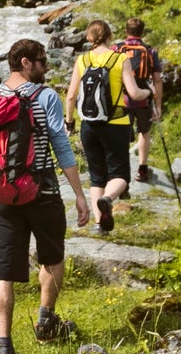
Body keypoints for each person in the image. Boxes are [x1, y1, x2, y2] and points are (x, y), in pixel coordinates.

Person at [0, 37, 91, 354]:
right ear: (26, 62)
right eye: (42, 61)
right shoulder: (45, 97)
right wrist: (80, 193)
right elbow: (60, 144)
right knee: (52, 256)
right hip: (42, 191)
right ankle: (45, 321)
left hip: (1, 194)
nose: (46, 66)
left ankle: (5, 349)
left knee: (4, 273)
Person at [66, 19, 136, 235]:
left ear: (89, 37)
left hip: (89, 126)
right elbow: (133, 93)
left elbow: (70, 96)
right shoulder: (120, 58)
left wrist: (69, 122)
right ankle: (108, 199)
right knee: (120, 174)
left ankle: (99, 225)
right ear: (109, 35)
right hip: (115, 124)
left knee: (97, 175)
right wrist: (149, 92)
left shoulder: (83, 59)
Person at [114, 17, 165, 188]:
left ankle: (121, 174)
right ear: (142, 32)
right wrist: (158, 106)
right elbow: (157, 80)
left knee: (121, 136)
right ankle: (142, 170)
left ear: (126, 31)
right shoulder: (150, 51)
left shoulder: (117, 49)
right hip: (143, 99)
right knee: (144, 132)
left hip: (122, 100)